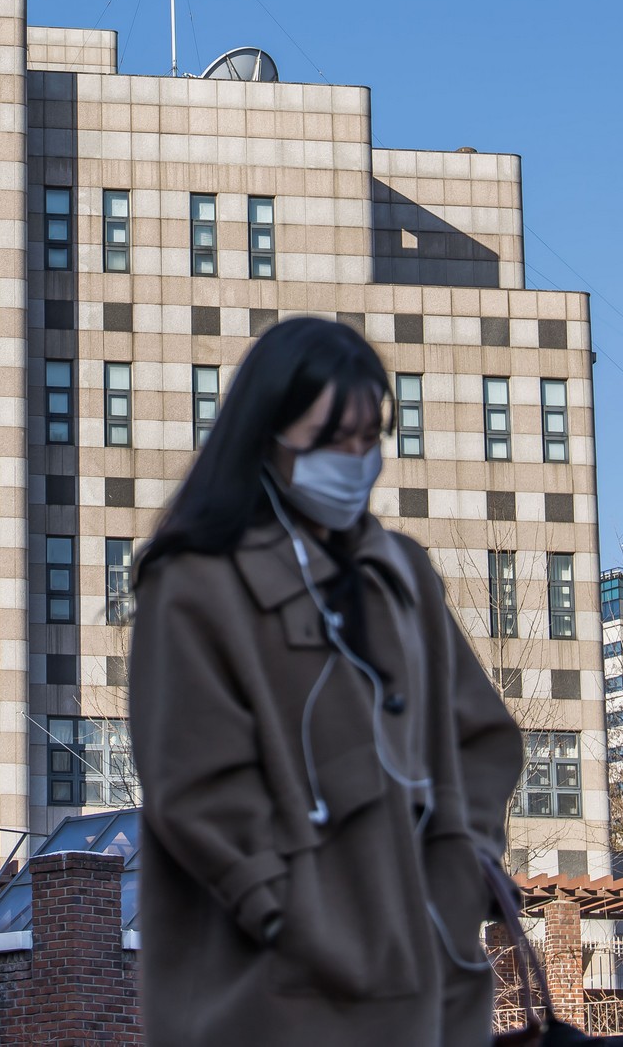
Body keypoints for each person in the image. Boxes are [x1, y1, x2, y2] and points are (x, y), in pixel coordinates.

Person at [128, 317, 521, 1046]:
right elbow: (195, 785)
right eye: (331, 439)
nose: (356, 460)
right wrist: (297, 917)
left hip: (433, 981)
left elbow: (482, 733)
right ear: (268, 435)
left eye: (369, 438)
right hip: (270, 1001)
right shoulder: (194, 583)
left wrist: (464, 864)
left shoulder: (400, 570)